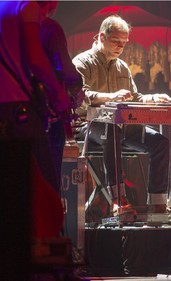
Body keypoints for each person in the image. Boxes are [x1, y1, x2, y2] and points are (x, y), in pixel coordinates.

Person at [73, 15, 171, 214]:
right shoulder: (82, 62)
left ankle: (158, 203)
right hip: (88, 126)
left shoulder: (122, 67)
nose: (120, 47)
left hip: (119, 127)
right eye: (116, 42)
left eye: (124, 43)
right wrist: (111, 96)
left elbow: (135, 97)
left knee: (160, 142)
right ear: (101, 37)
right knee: (111, 131)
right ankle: (118, 199)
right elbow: (80, 96)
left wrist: (154, 98)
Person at [0, 1, 70, 240]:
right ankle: (48, 261)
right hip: (16, 109)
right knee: (44, 189)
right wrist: (59, 94)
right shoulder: (25, 6)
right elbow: (36, 59)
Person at [38, 0, 83, 193]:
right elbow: (64, 68)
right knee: (50, 173)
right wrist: (76, 87)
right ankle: (49, 221)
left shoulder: (9, 25)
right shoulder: (49, 28)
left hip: (15, 110)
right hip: (48, 111)